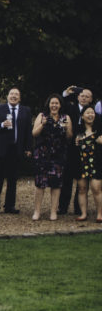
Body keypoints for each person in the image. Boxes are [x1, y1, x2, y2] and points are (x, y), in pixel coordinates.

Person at [0, 88, 33, 214]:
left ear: (20, 98)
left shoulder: (26, 111)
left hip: (16, 149)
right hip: (1, 149)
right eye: (11, 94)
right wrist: (2, 125)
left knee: (13, 179)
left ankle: (9, 206)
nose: (14, 96)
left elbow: (28, 131)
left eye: (16, 94)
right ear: (7, 96)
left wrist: (28, 147)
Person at [31, 94, 72, 221]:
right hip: (42, 154)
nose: (54, 105)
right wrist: (42, 124)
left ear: (60, 105)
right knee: (40, 184)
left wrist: (66, 129)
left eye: (57, 103)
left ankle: (53, 212)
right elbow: (34, 133)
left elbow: (70, 137)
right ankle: (37, 211)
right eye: (52, 103)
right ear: (48, 104)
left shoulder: (65, 118)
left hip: (58, 155)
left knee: (56, 184)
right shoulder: (42, 116)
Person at [59, 86, 92, 215]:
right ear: (78, 97)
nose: (84, 98)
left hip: (85, 149)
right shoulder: (70, 107)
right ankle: (63, 206)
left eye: (87, 97)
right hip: (69, 148)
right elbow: (59, 105)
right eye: (82, 96)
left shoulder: (91, 112)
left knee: (82, 180)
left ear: (90, 100)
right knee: (66, 179)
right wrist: (66, 93)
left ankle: (79, 207)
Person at [73, 105, 102, 222]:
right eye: (87, 113)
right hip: (81, 163)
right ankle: (83, 214)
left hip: (96, 164)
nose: (90, 115)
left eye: (92, 113)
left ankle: (100, 214)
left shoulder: (99, 130)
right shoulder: (79, 131)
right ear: (82, 116)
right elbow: (73, 147)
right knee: (82, 189)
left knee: (96, 189)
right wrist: (75, 143)